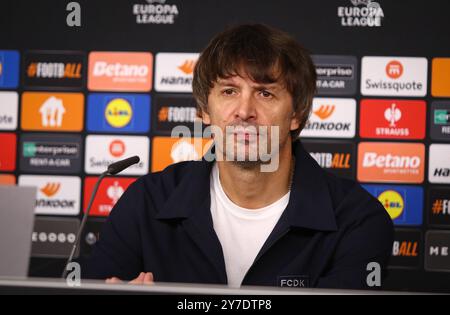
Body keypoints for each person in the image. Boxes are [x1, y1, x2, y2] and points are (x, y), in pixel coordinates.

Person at [83, 24, 394, 289]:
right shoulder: (146, 203)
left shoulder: (358, 220)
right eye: (229, 91)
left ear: (297, 114)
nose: (244, 112)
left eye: (265, 93)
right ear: (204, 110)